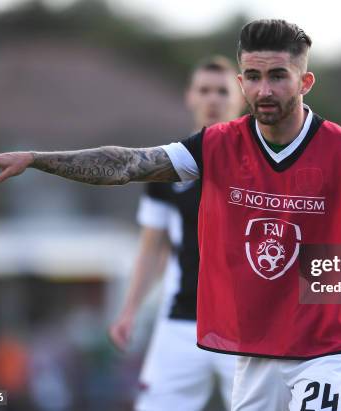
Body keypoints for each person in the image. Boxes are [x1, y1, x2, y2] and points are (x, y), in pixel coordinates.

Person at [0, 19, 341, 411]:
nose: (263, 89)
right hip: (255, 349)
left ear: (305, 82)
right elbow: (127, 164)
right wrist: (36, 158)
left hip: (330, 347)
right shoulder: (215, 146)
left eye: (277, 76)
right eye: (252, 76)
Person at [108, 56, 244, 411]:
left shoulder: (260, 163)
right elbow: (152, 248)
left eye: (222, 91)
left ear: (240, 98)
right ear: (190, 97)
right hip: (182, 320)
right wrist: (130, 310)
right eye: (204, 90)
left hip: (246, 325)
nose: (213, 99)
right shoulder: (168, 167)